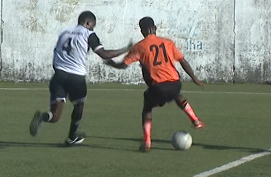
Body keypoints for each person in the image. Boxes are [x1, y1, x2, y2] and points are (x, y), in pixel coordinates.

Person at [29, 11, 131, 146]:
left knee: (56, 115)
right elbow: (104, 54)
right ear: (88, 23)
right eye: (92, 25)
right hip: (76, 78)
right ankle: (72, 137)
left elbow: (56, 52)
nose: (93, 28)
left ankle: (43, 117)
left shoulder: (64, 32)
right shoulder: (88, 34)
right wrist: (126, 49)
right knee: (79, 106)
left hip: (58, 76)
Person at [105, 17, 205, 152]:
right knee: (177, 95)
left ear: (141, 30)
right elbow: (182, 61)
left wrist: (111, 63)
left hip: (158, 87)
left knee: (147, 108)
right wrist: (194, 78)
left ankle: (147, 142)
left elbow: (123, 65)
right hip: (175, 83)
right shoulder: (168, 43)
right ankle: (195, 120)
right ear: (155, 28)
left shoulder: (139, 47)